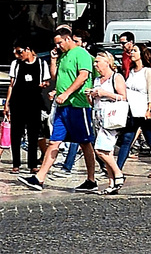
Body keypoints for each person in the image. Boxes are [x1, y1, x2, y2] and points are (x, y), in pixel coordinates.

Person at [22, 26, 96, 191]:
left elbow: (83, 76)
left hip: (78, 104)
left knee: (85, 142)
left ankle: (91, 179)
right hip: (63, 106)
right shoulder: (63, 55)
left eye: (59, 43)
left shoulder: (81, 54)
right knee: (54, 141)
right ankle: (39, 178)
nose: (57, 47)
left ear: (68, 39)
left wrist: (67, 93)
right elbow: (56, 76)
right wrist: (54, 60)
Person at [115, 43, 151, 181]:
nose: (132, 53)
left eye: (135, 50)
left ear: (142, 54)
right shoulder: (131, 72)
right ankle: (117, 169)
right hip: (132, 110)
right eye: (131, 51)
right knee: (127, 139)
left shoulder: (148, 71)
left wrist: (149, 108)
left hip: (144, 110)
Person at [87, 50, 130, 193]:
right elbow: (94, 103)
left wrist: (105, 93)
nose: (95, 65)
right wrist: (91, 96)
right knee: (108, 151)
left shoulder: (116, 77)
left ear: (107, 63)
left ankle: (118, 174)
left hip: (112, 117)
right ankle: (112, 184)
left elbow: (123, 97)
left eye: (97, 62)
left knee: (100, 149)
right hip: (99, 117)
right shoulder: (97, 80)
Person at [8, 41, 46, 175]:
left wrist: (44, 84)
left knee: (33, 134)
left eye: (20, 52)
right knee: (16, 133)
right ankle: (16, 163)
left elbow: (46, 80)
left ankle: (32, 164)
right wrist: (7, 103)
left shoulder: (41, 63)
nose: (18, 55)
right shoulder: (16, 64)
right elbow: (11, 85)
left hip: (34, 102)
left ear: (28, 49)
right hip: (17, 102)